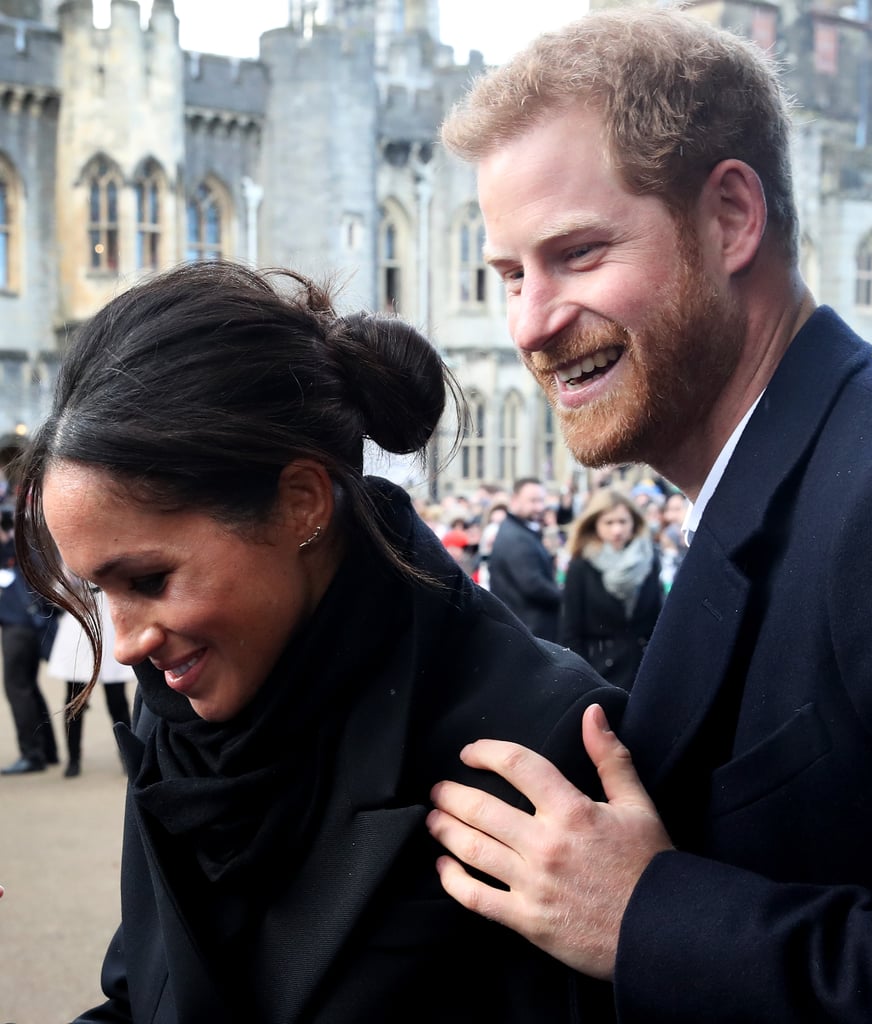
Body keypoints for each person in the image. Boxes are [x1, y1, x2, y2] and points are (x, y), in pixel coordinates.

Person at [426, 6, 872, 1020]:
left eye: (576, 254)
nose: (529, 322)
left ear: (732, 219)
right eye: (510, 275)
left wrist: (652, 916)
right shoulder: (773, 482)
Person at [13, 260, 624, 1022]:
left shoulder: (541, 746)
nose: (127, 644)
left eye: (148, 579)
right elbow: (149, 992)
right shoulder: (177, 712)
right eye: (100, 592)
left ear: (301, 504)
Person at [558, 489, 661, 691]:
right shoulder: (581, 565)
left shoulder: (648, 560)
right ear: (595, 524)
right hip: (600, 671)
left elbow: (658, 616)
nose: (617, 530)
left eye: (623, 521)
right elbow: (570, 630)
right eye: (609, 522)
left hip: (645, 672)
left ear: (634, 522)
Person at [47, 587, 132, 778]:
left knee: (117, 702)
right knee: (74, 702)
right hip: (79, 629)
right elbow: (56, 588)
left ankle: (128, 756)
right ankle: (73, 758)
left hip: (110, 627)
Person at [0, 511, 59, 775]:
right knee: (28, 688)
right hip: (24, 625)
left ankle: (32, 754)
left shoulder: (15, 551)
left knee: (18, 689)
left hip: (20, 627)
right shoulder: (18, 547)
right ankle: (47, 750)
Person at [486, 477, 562, 641]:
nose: (539, 507)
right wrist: (566, 596)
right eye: (533, 501)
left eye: (541, 500)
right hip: (530, 628)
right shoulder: (515, 537)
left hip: (527, 626)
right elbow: (532, 584)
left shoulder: (519, 530)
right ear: (514, 500)